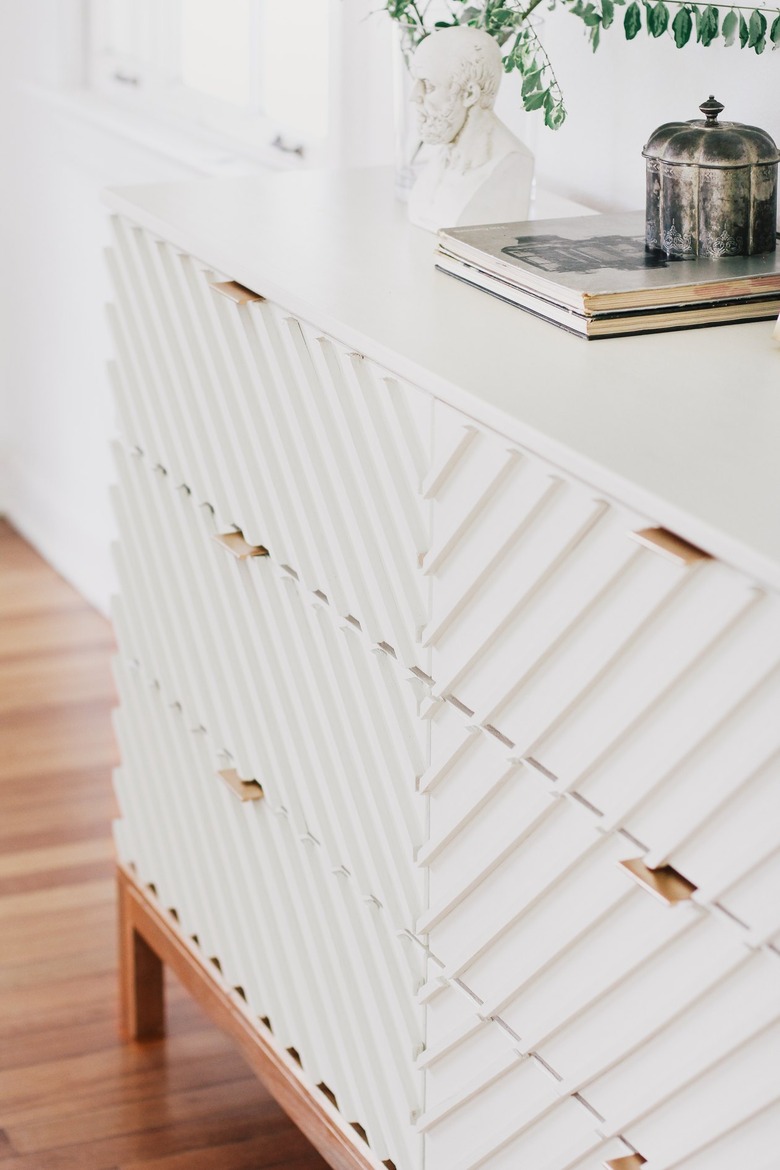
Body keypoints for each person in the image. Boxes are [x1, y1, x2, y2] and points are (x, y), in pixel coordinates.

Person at [407, 25, 535, 233]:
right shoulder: (443, 159)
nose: (414, 96)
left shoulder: (512, 162)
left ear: (469, 94)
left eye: (428, 85)